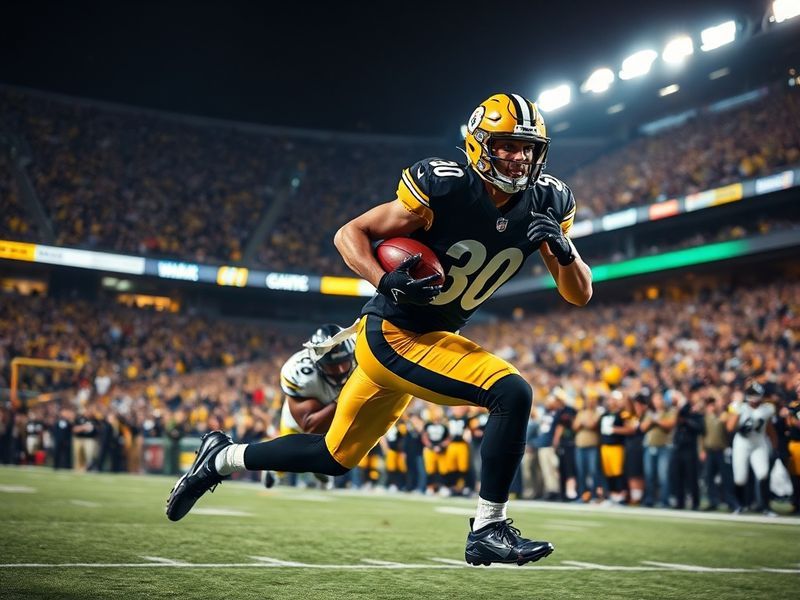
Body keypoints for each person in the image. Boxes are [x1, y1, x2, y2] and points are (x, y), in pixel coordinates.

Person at [166, 92, 593, 566]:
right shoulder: (446, 188)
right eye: (506, 145)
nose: (518, 158)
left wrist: (565, 250)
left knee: (333, 457)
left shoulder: (549, 202)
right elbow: (349, 234)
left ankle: (222, 456)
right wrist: (383, 278)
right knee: (511, 393)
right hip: (392, 332)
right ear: (477, 145)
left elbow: (579, 294)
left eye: (527, 148)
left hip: (427, 339)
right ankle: (488, 526)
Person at [265, 324, 355, 488]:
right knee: (287, 456)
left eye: (344, 362)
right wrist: (342, 399)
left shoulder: (361, 354)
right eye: (333, 365)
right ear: (318, 362)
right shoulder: (299, 371)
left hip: (337, 416)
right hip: (301, 418)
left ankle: (320, 465)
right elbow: (308, 425)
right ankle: (274, 470)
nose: (341, 370)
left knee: (328, 455)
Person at [727, 381, 776, 515]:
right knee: (739, 478)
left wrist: (775, 445)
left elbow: (770, 429)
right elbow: (730, 427)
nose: (753, 398)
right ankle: (739, 505)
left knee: (763, 473)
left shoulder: (767, 409)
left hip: (759, 443)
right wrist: (737, 414)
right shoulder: (740, 407)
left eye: (756, 395)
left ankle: (766, 507)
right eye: (751, 394)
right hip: (742, 443)